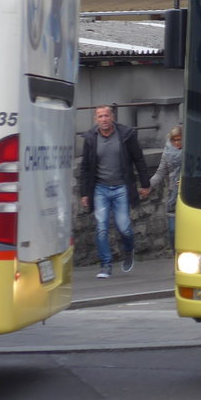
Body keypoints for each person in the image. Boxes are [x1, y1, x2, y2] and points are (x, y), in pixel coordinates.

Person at [79, 105, 151, 278]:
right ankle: (106, 265)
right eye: (100, 116)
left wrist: (145, 184)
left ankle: (128, 251)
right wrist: (84, 193)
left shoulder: (126, 135)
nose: (103, 119)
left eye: (106, 115)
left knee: (124, 227)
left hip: (121, 188)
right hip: (100, 188)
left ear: (112, 117)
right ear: (96, 119)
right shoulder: (91, 138)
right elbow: (85, 167)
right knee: (101, 227)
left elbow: (138, 159)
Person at [150, 125, 183, 246]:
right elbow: (160, 173)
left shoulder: (191, 152)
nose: (177, 143)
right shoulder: (167, 153)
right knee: (173, 232)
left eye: (180, 139)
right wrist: (148, 186)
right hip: (173, 196)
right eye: (175, 140)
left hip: (187, 195)